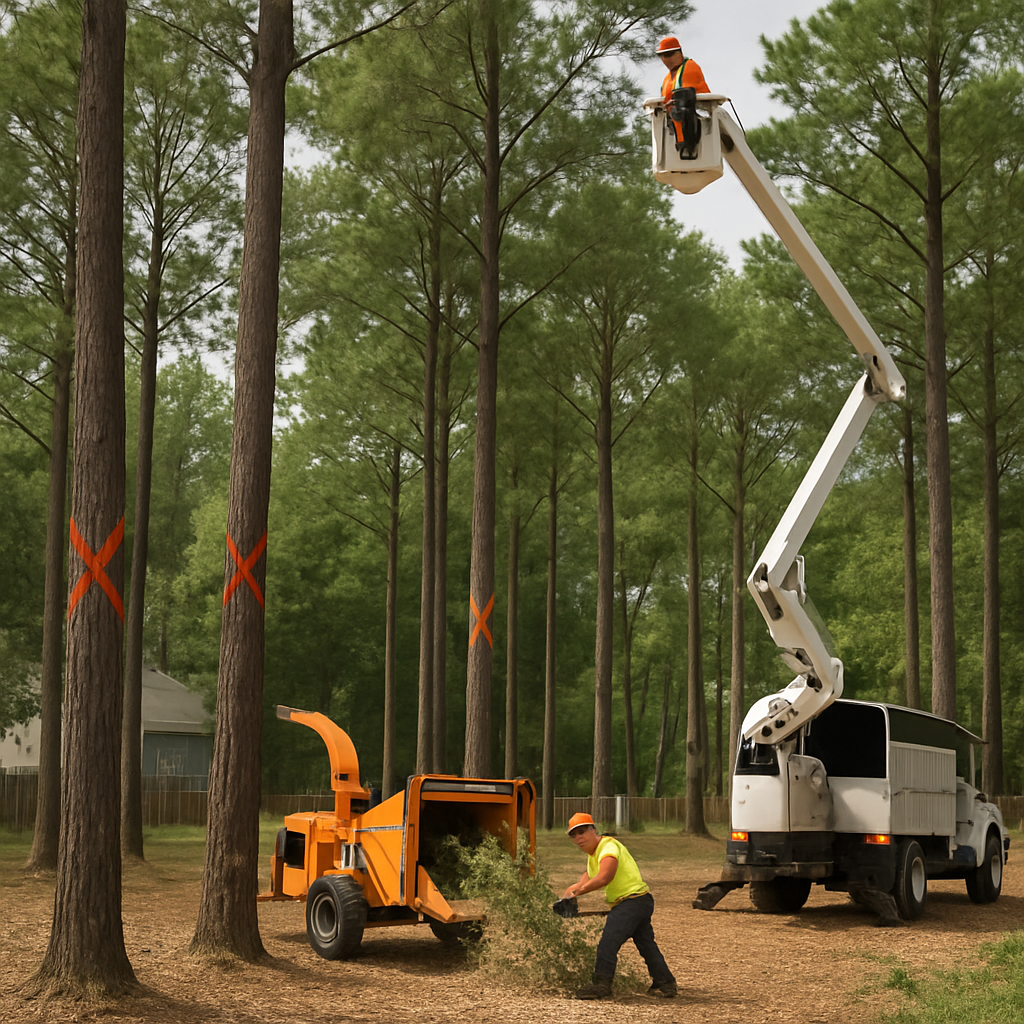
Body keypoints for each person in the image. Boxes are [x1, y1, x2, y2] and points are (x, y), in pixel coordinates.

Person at [562, 812, 677, 1000]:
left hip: (632, 901)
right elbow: (589, 877)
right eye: (573, 835)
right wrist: (570, 893)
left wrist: (579, 892)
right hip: (639, 901)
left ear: (593, 829)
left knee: (608, 942)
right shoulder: (594, 855)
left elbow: (605, 876)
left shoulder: (608, 847)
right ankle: (665, 983)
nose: (578, 838)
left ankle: (601, 984)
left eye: (582, 832)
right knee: (646, 945)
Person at [656, 35, 710, 148]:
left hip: (697, 130)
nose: (667, 59)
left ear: (680, 53)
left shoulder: (689, 68)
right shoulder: (668, 78)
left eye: (670, 54)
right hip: (677, 135)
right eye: (663, 56)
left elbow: (686, 98)